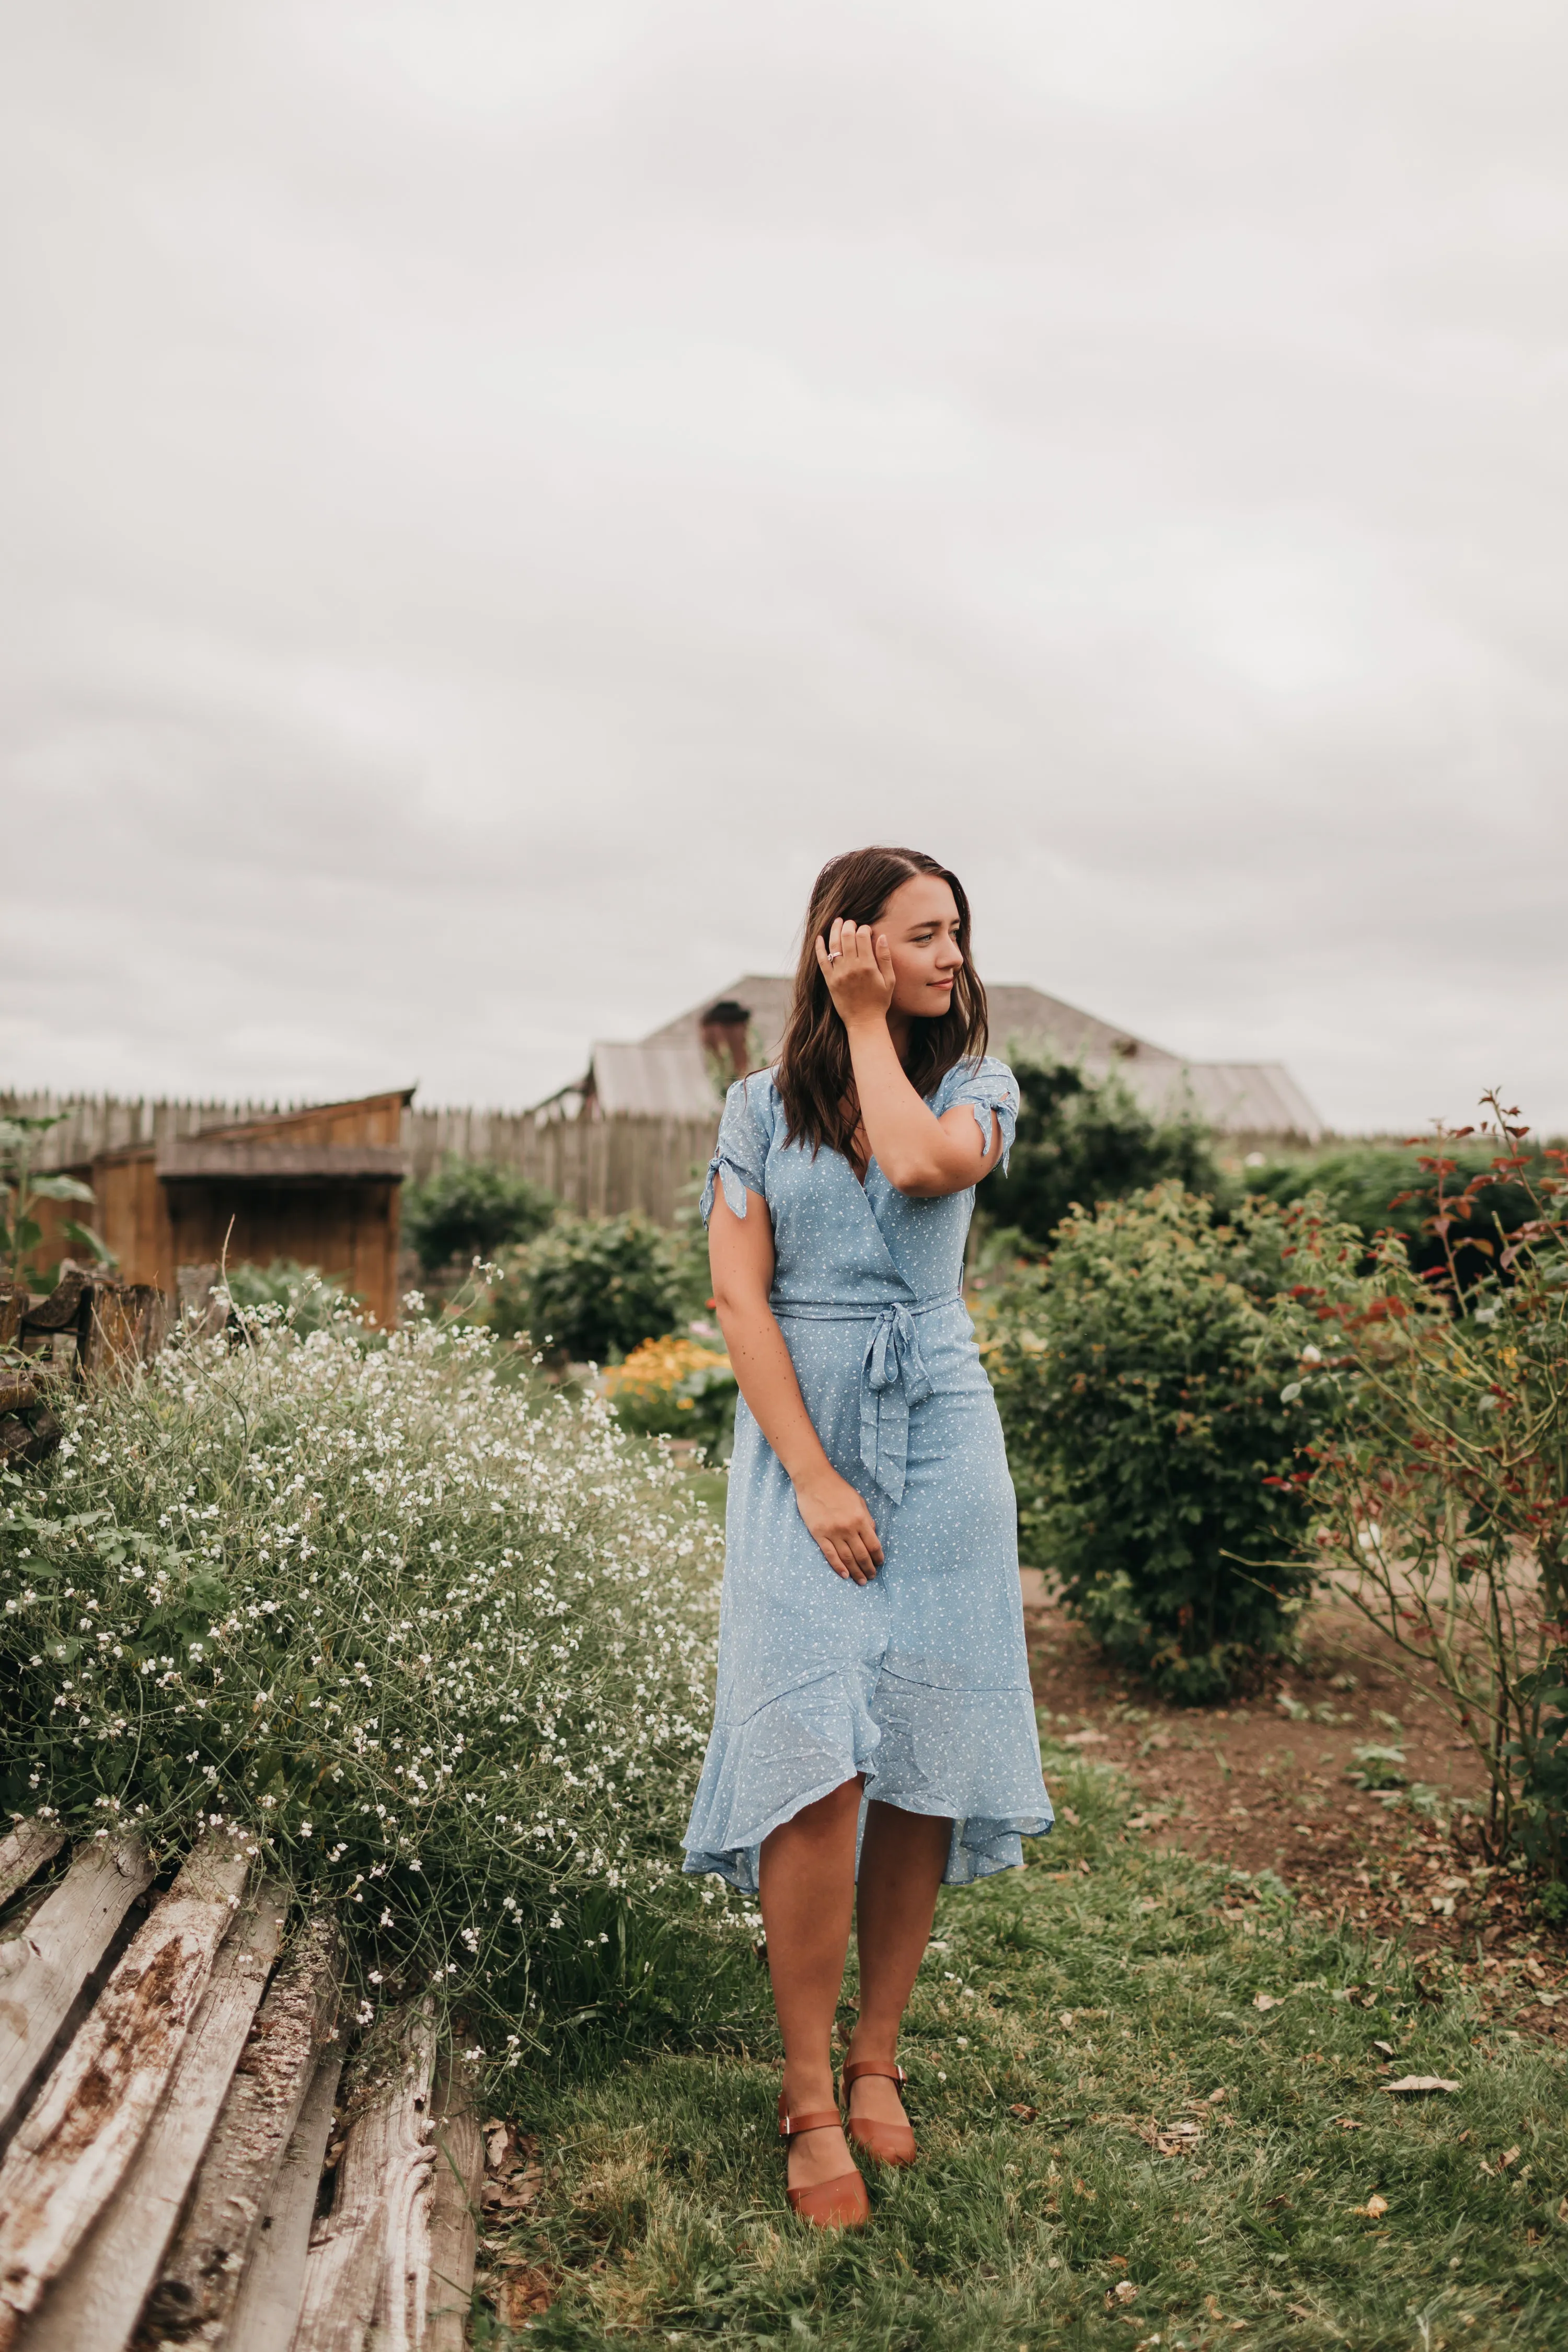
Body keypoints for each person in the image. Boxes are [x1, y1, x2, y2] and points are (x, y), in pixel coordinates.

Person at [684, 844, 1053, 2228]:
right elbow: (739, 1298)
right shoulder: (752, 1113)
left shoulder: (976, 1089)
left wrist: (863, 1023)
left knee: (921, 1749)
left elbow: (912, 1161)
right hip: (802, 1448)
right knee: (812, 1760)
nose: (952, 954)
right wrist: (813, 1474)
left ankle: (879, 2052)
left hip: (944, 1433)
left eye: (957, 932)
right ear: (848, 942)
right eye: (923, 932)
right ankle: (806, 2090)